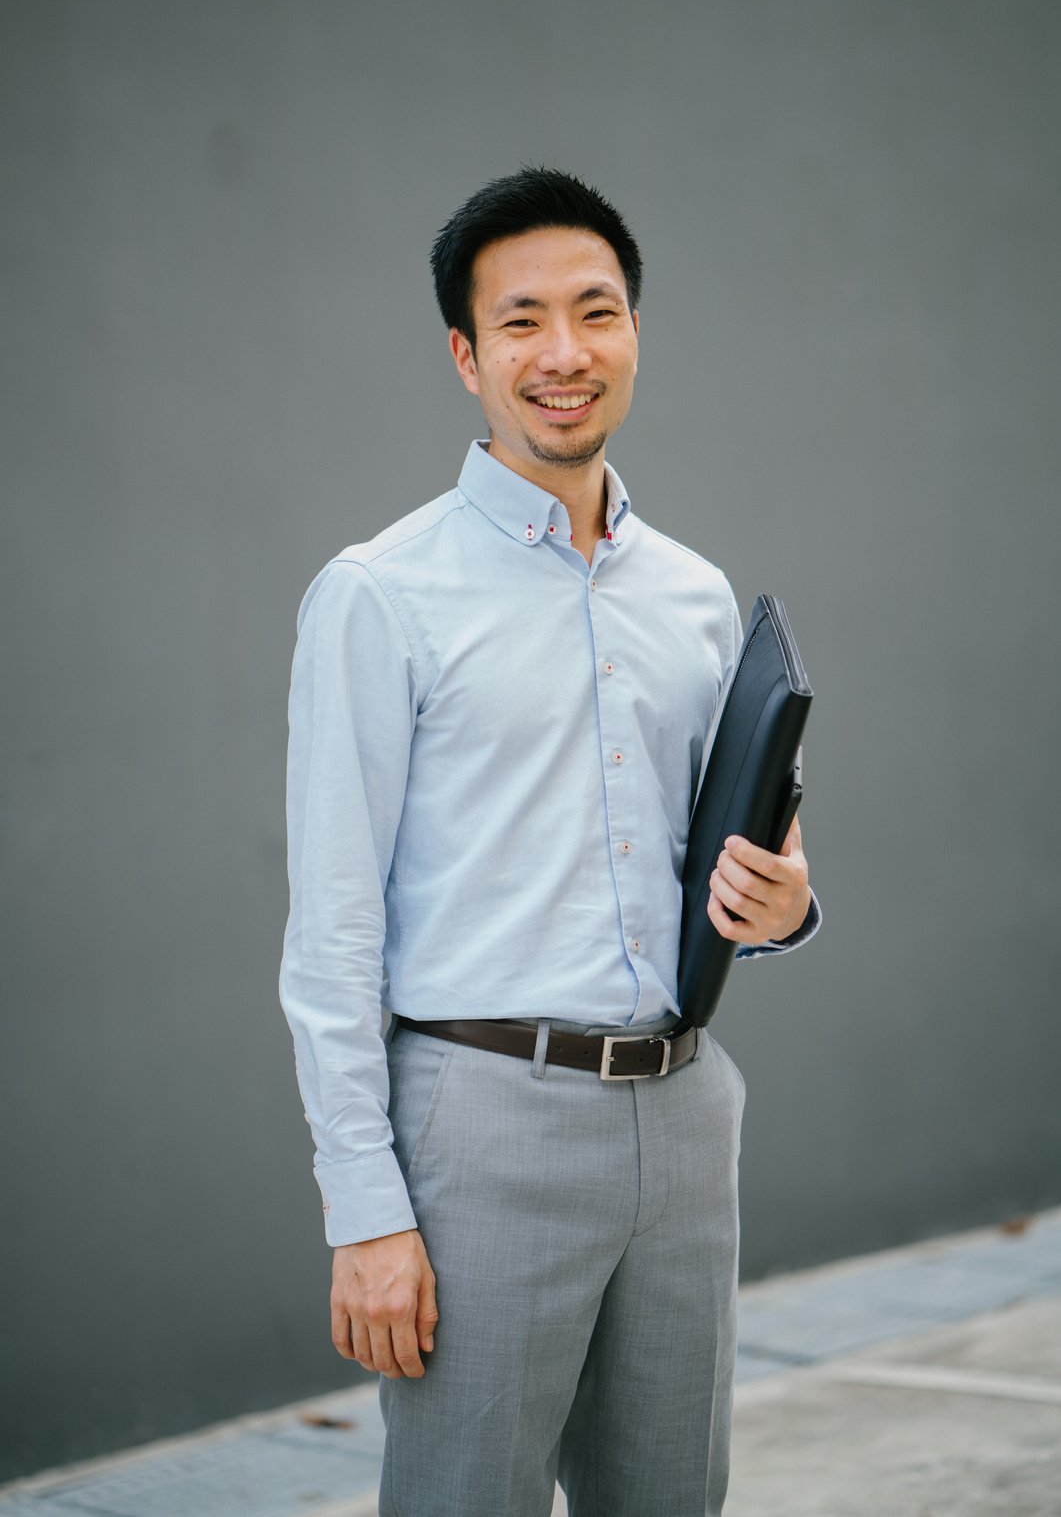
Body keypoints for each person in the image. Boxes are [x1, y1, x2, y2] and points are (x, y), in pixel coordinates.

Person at [279, 167, 819, 1517]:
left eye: (596, 311)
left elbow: (748, 840)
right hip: (483, 1123)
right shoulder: (378, 597)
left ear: (635, 330)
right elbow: (333, 929)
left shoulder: (695, 596)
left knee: (671, 1501)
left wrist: (787, 902)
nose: (564, 354)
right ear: (465, 357)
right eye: (522, 322)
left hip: (685, 1114)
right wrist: (364, 1208)